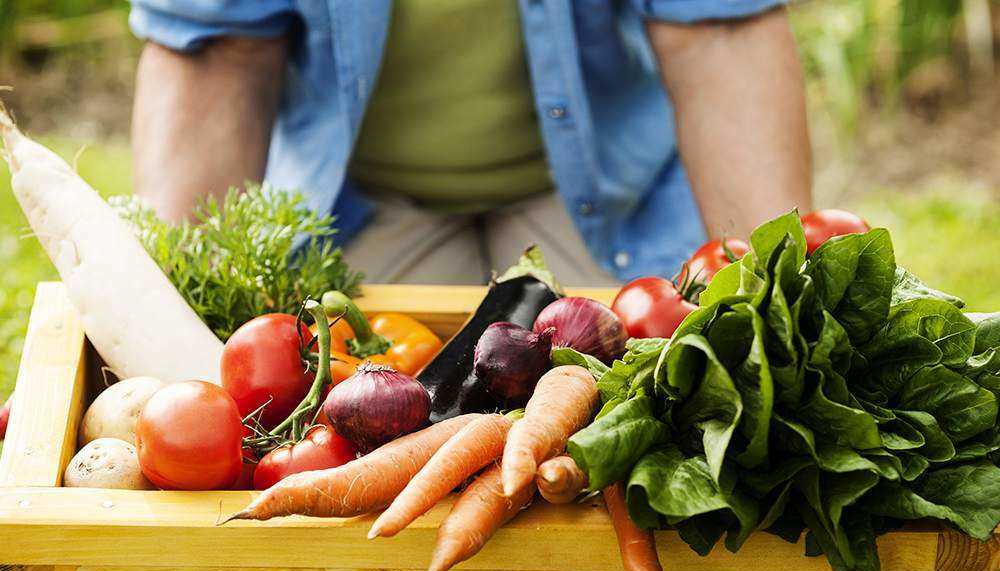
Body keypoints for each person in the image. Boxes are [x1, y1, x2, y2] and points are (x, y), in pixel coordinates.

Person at [129, 1, 811, 286]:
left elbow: (717, 31)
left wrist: (780, 299)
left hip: (609, 191)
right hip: (358, 200)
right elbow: (220, 51)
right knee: (347, 423)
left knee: (660, 412)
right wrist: (171, 317)